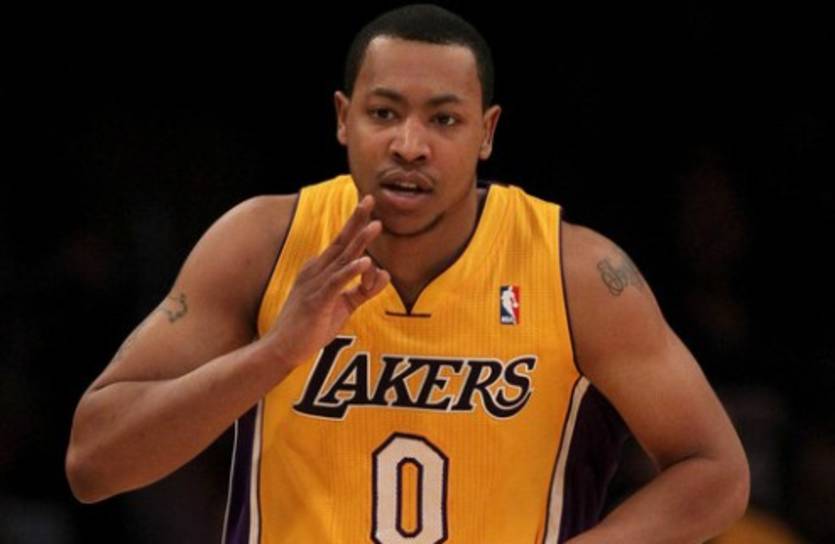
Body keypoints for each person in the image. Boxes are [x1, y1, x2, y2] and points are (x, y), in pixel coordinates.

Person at [66, 4, 749, 542]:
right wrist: (275, 353)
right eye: (384, 113)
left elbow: (716, 472)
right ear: (344, 119)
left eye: (444, 119)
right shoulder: (262, 244)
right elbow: (93, 463)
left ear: (486, 132)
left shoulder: (575, 272)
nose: (409, 145)